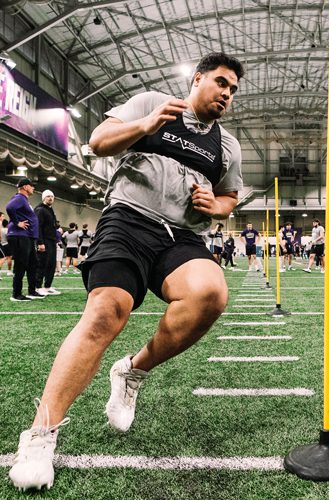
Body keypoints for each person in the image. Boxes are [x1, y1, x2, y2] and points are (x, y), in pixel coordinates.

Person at [9, 52, 244, 491]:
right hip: (129, 219)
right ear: (197, 80)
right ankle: (40, 435)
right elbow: (98, 143)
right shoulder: (152, 103)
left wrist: (217, 206)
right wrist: (147, 125)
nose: (227, 94)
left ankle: (132, 371)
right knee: (106, 312)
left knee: (211, 293)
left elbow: (230, 196)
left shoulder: (226, 145)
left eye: (232, 89)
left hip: (182, 236)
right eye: (221, 82)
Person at [5, 178, 45, 301]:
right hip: (19, 235)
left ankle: (32, 291)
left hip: (27, 236)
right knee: (21, 265)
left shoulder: (24, 200)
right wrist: (17, 223)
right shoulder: (19, 198)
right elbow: (9, 207)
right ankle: (16, 294)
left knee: (33, 264)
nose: (33, 188)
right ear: (25, 187)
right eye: (32, 186)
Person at [34, 190, 60, 296]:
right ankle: (38, 287)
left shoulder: (50, 209)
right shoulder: (40, 210)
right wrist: (40, 242)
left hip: (51, 241)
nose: (50, 198)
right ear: (44, 198)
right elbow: (38, 227)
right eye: (48, 196)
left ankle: (47, 286)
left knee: (51, 264)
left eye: (52, 196)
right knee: (42, 264)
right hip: (44, 241)